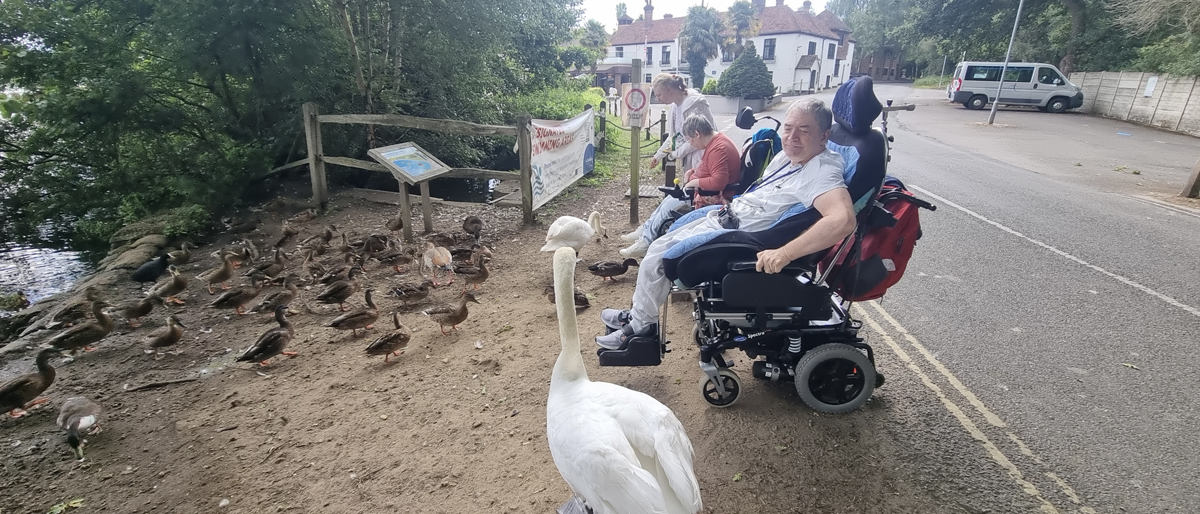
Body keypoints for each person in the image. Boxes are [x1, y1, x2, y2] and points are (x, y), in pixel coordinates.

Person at [596, 98, 857, 349]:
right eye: (788, 128)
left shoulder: (822, 170)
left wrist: (785, 253)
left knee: (656, 258)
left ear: (824, 136)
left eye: (804, 130)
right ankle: (639, 313)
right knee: (656, 245)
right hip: (728, 216)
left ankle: (641, 326)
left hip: (742, 236)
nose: (792, 137)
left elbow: (843, 220)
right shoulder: (789, 158)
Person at [619, 114, 740, 258]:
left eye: (690, 139)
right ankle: (646, 231)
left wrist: (694, 182)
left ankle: (646, 241)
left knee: (668, 206)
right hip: (703, 190)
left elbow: (719, 181)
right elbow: (711, 168)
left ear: (697, 134)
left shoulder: (718, 149)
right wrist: (692, 172)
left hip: (711, 195)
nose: (691, 144)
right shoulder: (717, 142)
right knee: (667, 201)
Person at [621, 74, 714, 241]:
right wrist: (659, 155)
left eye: (659, 94)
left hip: (703, 158)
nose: (658, 98)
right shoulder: (674, 107)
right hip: (690, 160)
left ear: (670, 90)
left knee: (684, 196)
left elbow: (701, 138)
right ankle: (646, 230)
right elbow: (674, 137)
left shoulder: (695, 104)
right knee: (678, 196)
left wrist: (677, 153)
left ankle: (649, 235)